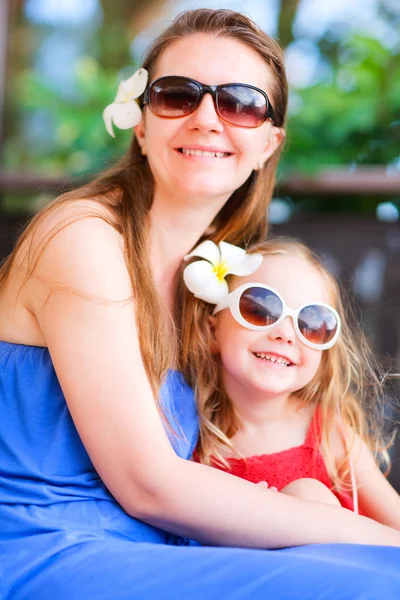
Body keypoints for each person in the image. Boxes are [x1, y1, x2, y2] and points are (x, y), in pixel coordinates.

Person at [1, 8, 400, 600]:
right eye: (178, 95)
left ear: (269, 143)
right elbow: (148, 485)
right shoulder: (82, 236)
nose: (208, 119)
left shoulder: (215, 283)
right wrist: (371, 537)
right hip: (53, 549)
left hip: (161, 550)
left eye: (239, 102)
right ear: (141, 122)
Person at [184, 237, 400, 526]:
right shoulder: (186, 438)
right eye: (259, 308)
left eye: (312, 323)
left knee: (308, 494)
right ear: (211, 331)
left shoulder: (330, 433)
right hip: (249, 570)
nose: (285, 334)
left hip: (338, 566)